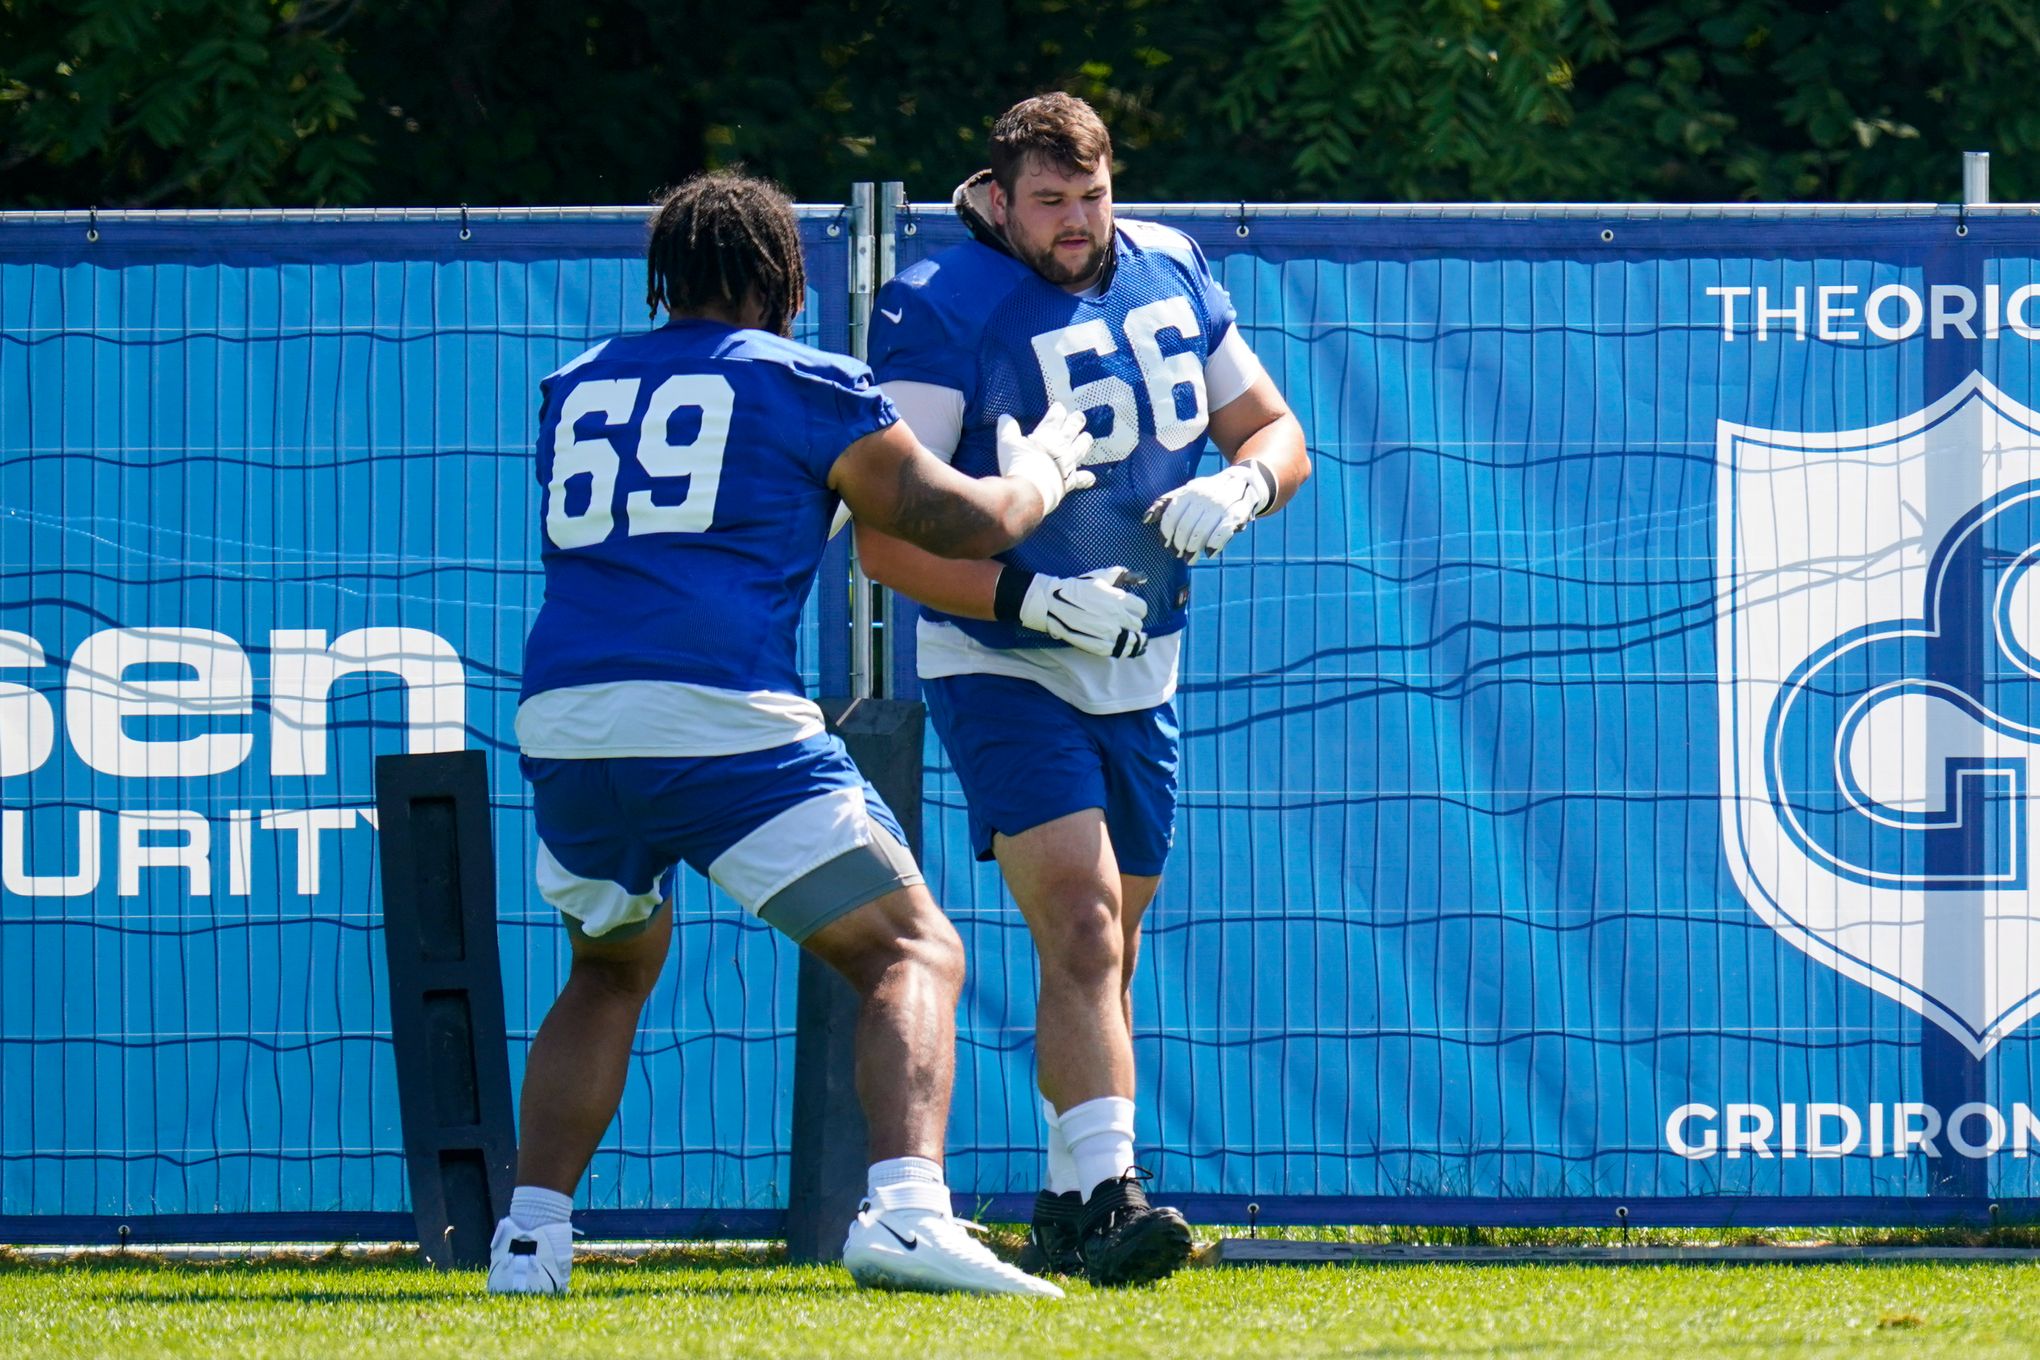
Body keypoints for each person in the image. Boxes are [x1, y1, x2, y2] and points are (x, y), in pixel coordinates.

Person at [487, 169, 1097, 1299]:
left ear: (668, 276)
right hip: (716, 707)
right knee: (912, 951)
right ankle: (909, 1213)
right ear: (783, 277)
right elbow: (958, 522)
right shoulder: (804, 379)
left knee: (609, 967)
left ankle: (530, 1238)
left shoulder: (573, 385)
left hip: (566, 715)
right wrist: (1044, 471)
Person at [859, 93, 1311, 1287]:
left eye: (1092, 195)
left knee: (1112, 946)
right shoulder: (940, 303)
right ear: (997, 197)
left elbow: (1275, 430)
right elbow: (886, 541)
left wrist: (1247, 488)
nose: (1076, 222)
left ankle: (1064, 1194)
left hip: (1142, 658)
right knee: (1084, 917)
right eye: (1050, 201)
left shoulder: (1167, 261)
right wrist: (1028, 600)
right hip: (1002, 657)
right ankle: (1115, 1192)